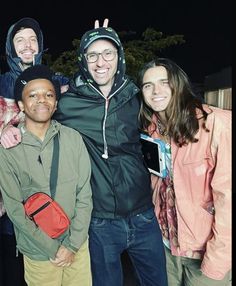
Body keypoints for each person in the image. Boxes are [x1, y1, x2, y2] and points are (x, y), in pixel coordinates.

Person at [53, 25, 168, 286]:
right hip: (100, 221)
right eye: (92, 55)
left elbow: (175, 112)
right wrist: (9, 129)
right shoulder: (68, 103)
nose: (100, 61)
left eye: (108, 53)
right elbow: (32, 106)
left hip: (144, 216)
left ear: (120, 58)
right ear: (83, 60)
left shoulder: (136, 97)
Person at [138, 57, 232, 286]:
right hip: (165, 248)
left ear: (178, 84)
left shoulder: (216, 124)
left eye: (164, 82)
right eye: (148, 85)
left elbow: (227, 198)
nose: (156, 91)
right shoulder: (151, 130)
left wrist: (217, 261)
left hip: (204, 252)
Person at [0, 64, 93, 286]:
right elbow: (14, 209)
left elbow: (85, 195)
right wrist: (54, 249)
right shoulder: (9, 149)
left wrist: (71, 245)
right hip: (38, 253)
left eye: (48, 94)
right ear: (21, 105)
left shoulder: (73, 138)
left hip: (77, 248)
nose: (42, 99)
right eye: (33, 95)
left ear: (56, 103)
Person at [0, 17, 69, 285]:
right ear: (11, 47)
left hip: (45, 194)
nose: (27, 45)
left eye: (33, 39)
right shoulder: (3, 83)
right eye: (20, 40)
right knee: (11, 268)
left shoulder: (55, 81)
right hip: (9, 198)